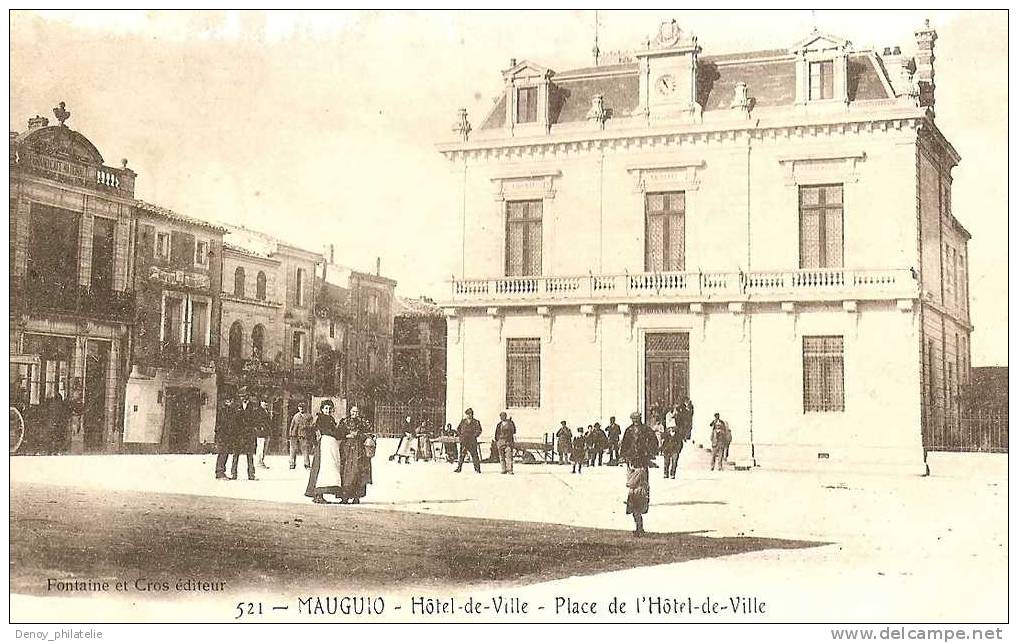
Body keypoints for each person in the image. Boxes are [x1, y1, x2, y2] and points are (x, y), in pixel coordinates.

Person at [620, 411, 658, 537]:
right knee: (634, 491)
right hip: (632, 463)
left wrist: (650, 454)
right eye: (634, 419)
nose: (635, 420)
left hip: (641, 463)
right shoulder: (629, 431)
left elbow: (654, 443)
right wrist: (624, 457)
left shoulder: (646, 430)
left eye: (637, 418)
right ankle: (638, 525)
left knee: (639, 492)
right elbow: (624, 446)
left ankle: (639, 525)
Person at [304, 399, 342, 504]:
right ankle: (317, 494)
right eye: (326, 408)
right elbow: (311, 430)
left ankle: (321, 494)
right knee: (321, 467)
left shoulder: (331, 419)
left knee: (328, 468)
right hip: (324, 445)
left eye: (330, 409)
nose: (328, 410)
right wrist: (315, 442)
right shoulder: (320, 419)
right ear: (322, 409)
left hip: (331, 445)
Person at [338, 406, 375, 503]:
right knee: (346, 472)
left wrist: (358, 435)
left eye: (357, 411)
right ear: (350, 411)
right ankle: (344, 497)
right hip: (347, 448)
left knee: (358, 472)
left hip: (359, 449)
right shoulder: (344, 421)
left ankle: (356, 497)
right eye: (353, 411)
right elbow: (338, 433)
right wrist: (346, 435)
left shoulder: (363, 422)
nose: (355, 413)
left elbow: (370, 434)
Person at [229, 390, 257, 481]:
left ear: (247, 397)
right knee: (235, 454)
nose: (242, 398)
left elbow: (255, 420)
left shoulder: (253, 407)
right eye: (241, 396)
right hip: (238, 434)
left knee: (249, 455)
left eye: (244, 396)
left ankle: (251, 474)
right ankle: (234, 473)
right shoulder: (236, 406)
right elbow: (233, 420)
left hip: (248, 434)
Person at [454, 407, 483, 473]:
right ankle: (459, 468)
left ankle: (477, 469)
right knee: (462, 455)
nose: (468, 415)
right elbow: (458, 429)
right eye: (467, 414)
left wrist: (474, 436)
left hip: (472, 441)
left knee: (474, 455)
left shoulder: (476, 422)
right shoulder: (463, 421)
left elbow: (479, 430)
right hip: (464, 441)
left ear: (472, 414)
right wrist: (460, 436)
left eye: (470, 414)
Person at [214, 396, 236, 479]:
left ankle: (221, 471)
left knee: (225, 454)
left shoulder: (230, 410)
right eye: (228, 401)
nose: (230, 402)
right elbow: (221, 424)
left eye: (231, 400)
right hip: (223, 435)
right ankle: (219, 472)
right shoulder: (223, 411)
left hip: (227, 436)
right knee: (222, 453)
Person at [288, 401, 315, 470]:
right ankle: (292, 464)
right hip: (294, 435)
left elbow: (311, 426)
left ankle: (307, 464)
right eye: (300, 407)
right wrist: (290, 433)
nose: (301, 409)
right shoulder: (296, 416)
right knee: (293, 450)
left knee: (305, 450)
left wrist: (306, 427)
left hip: (304, 435)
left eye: (302, 408)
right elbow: (292, 425)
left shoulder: (309, 416)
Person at [253, 397, 272, 469]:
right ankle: (259, 462)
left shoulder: (266, 411)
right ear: (260, 402)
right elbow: (255, 421)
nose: (265, 403)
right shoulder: (258, 411)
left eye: (266, 402)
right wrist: (259, 427)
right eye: (263, 401)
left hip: (266, 432)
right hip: (261, 433)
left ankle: (262, 461)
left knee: (264, 448)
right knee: (260, 448)